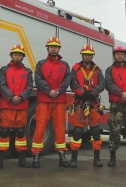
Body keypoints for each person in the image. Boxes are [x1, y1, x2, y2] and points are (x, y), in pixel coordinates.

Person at [31, 37, 72, 168]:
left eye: (56, 46)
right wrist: (49, 91)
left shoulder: (64, 65)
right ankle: (36, 156)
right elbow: (38, 79)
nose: (53, 48)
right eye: (51, 46)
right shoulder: (41, 63)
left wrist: (58, 91)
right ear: (47, 48)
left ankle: (62, 155)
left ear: (59, 49)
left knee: (60, 128)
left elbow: (67, 80)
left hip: (59, 101)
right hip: (44, 100)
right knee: (40, 128)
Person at [0, 45, 33, 169]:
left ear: (22, 57)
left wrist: (20, 97)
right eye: (15, 54)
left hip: (21, 106)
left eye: (20, 54)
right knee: (4, 132)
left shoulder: (28, 71)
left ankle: (22, 159)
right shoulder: (4, 70)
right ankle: (0, 160)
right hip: (7, 105)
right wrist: (11, 97)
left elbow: (29, 87)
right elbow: (2, 85)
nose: (17, 56)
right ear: (11, 55)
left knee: (21, 132)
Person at [69, 45, 105, 167]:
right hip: (79, 102)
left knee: (95, 131)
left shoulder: (97, 70)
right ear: (82, 55)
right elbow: (73, 84)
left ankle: (97, 158)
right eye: (85, 54)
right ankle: (74, 159)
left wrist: (92, 93)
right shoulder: (75, 69)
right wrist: (83, 93)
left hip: (93, 102)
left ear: (92, 56)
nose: (87, 56)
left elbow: (102, 84)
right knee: (78, 131)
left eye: (89, 55)